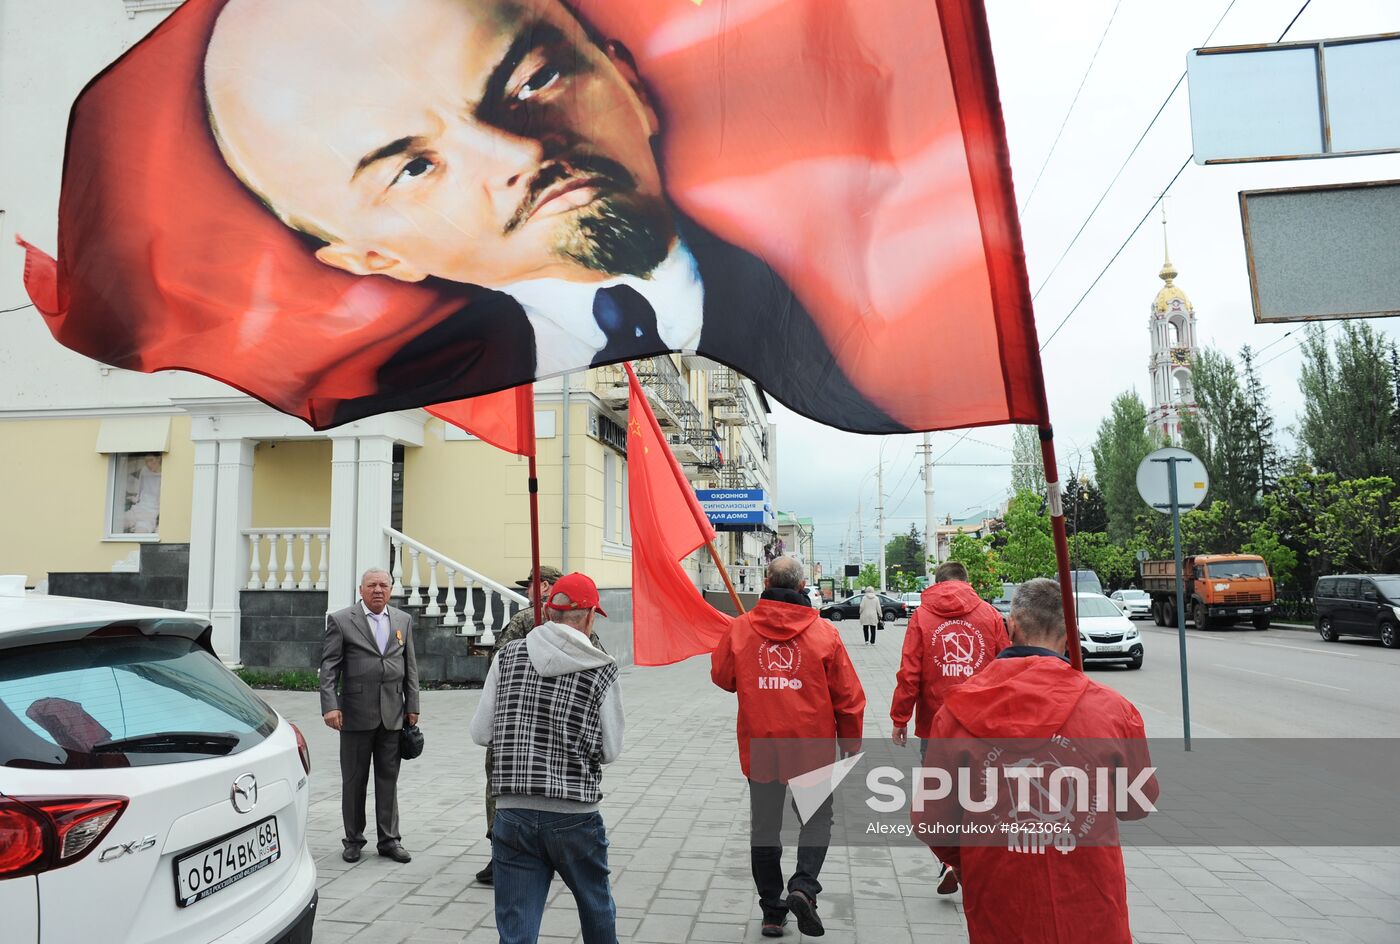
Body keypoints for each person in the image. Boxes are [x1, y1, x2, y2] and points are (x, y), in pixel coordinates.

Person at [201, 0, 901, 432]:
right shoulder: (433, 377)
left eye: (533, 78)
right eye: (413, 168)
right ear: (376, 259)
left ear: (626, 82)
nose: (519, 150)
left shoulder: (825, 295)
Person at [913, 578, 1158, 944]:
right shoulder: (1111, 710)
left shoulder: (957, 712)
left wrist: (968, 859)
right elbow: (1138, 803)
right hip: (1089, 898)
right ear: (1070, 633)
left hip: (1000, 894)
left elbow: (933, 820)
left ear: (1011, 627)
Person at [711, 557, 866, 938]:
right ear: (801, 588)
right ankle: (803, 887)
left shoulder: (742, 628)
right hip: (810, 748)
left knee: (764, 830)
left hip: (761, 744)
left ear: (766, 581)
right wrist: (850, 743)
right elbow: (848, 698)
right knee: (815, 821)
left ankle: (772, 911)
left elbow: (722, 677)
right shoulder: (824, 634)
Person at [470, 573, 623, 944]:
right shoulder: (601, 668)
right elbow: (611, 750)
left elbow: (480, 733)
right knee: (595, 904)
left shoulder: (507, 656)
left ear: (548, 611)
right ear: (589, 617)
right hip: (574, 814)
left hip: (512, 810)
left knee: (518, 923)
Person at [477, 565, 606, 886]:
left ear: (545, 586)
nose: (526, 592)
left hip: (522, 726)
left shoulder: (526, 619)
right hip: (543, 726)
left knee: (503, 787)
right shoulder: (527, 619)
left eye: (530, 585)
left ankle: (508, 853)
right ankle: (508, 852)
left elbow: (497, 661)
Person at [889, 560, 1010, 894]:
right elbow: (1007, 663)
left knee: (940, 798)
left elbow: (910, 672)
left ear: (937, 582)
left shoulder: (921, 617)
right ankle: (979, 859)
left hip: (936, 726)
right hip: (985, 726)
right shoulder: (989, 615)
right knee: (982, 796)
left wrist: (900, 717)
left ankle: (951, 860)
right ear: (966, 581)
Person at [319, 568, 420, 864]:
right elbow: (329, 668)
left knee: (388, 780)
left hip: (393, 714)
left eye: (383, 585)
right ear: (361, 589)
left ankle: (389, 840)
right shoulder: (341, 620)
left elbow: (410, 666)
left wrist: (412, 705)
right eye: (372, 585)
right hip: (354, 714)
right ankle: (353, 840)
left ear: (391, 589)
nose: (378, 590)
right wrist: (330, 705)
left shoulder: (403, 620)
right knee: (354, 781)